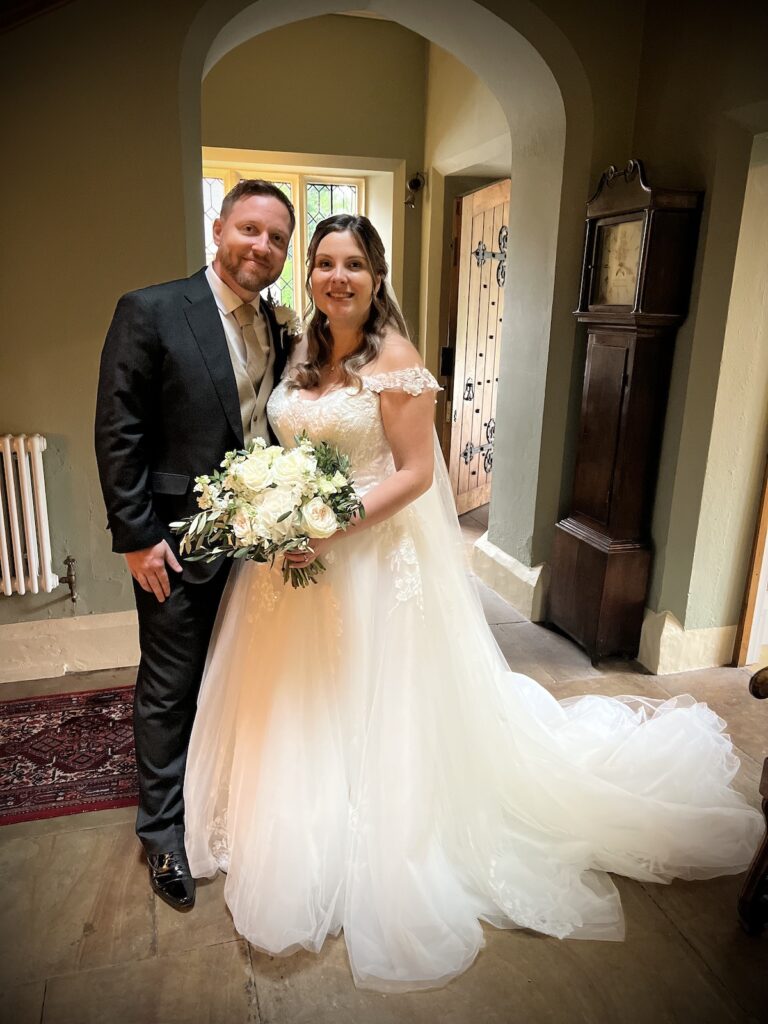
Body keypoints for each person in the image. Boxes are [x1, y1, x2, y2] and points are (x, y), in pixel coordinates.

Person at [183, 214, 762, 991]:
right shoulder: (299, 346)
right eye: (323, 263)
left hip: (362, 555)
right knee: (293, 695)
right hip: (293, 558)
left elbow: (416, 473)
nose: (337, 277)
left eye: (354, 263)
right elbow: (282, 441)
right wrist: (274, 507)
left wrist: (326, 524)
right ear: (309, 275)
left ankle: (375, 826)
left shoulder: (396, 361)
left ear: (378, 277)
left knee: (367, 695)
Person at [95, 180, 296, 910]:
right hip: (175, 542)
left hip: (259, 542)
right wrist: (138, 537)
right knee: (171, 683)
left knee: (239, 678)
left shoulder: (277, 324)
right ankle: (163, 835)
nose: (261, 247)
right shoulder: (150, 310)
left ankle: (226, 805)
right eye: (249, 229)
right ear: (218, 229)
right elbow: (120, 432)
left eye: (276, 239)